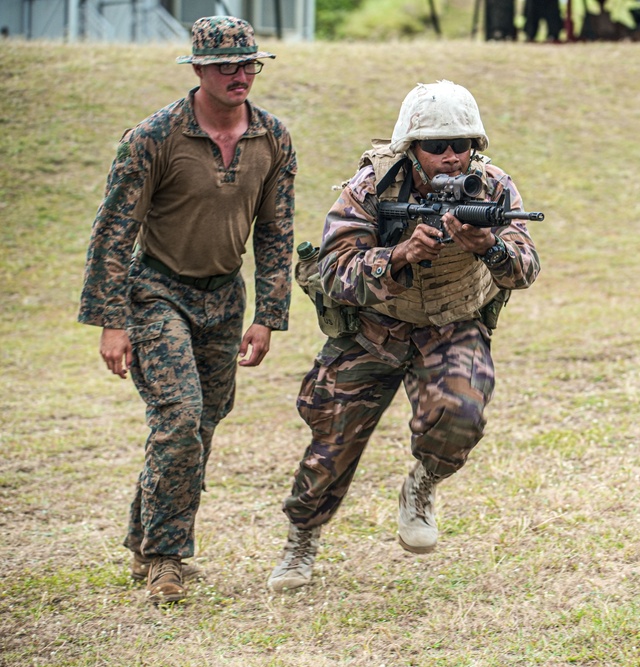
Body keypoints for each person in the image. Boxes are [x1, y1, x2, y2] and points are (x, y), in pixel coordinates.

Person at [267, 80, 540, 592]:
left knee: (462, 413)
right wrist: (399, 255)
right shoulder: (371, 188)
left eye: (462, 145)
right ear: (411, 148)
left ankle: (423, 485)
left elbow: (525, 267)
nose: (451, 157)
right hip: (372, 330)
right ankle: (301, 538)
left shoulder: (495, 189)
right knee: (332, 444)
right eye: (437, 146)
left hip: (452, 324)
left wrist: (489, 247)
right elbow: (331, 271)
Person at [77, 15, 296, 604]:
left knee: (200, 424)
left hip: (225, 298)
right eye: (225, 64)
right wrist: (112, 320)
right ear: (197, 68)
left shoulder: (272, 137)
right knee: (177, 422)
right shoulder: (153, 137)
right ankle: (167, 562)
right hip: (155, 292)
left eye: (248, 63)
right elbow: (112, 233)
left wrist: (269, 314)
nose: (238, 74)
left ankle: (144, 538)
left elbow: (276, 231)